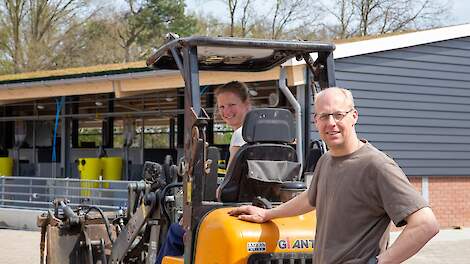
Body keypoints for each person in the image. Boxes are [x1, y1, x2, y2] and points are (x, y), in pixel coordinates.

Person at [228, 87, 439, 264]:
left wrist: (379, 262)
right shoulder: (327, 160)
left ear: (354, 116)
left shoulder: (376, 165)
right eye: (324, 116)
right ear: (316, 121)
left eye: (339, 115)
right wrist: (268, 215)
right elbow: (312, 197)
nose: (331, 123)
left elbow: (425, 224)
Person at [155, 81, 252, 264]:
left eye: (232, 105)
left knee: (177, 231)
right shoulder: (270, 137)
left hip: (236, 209)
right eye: (221, 106)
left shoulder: (241, 135)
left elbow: (228, 187)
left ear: (247, 104)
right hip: (260, 205)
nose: (226, 111)